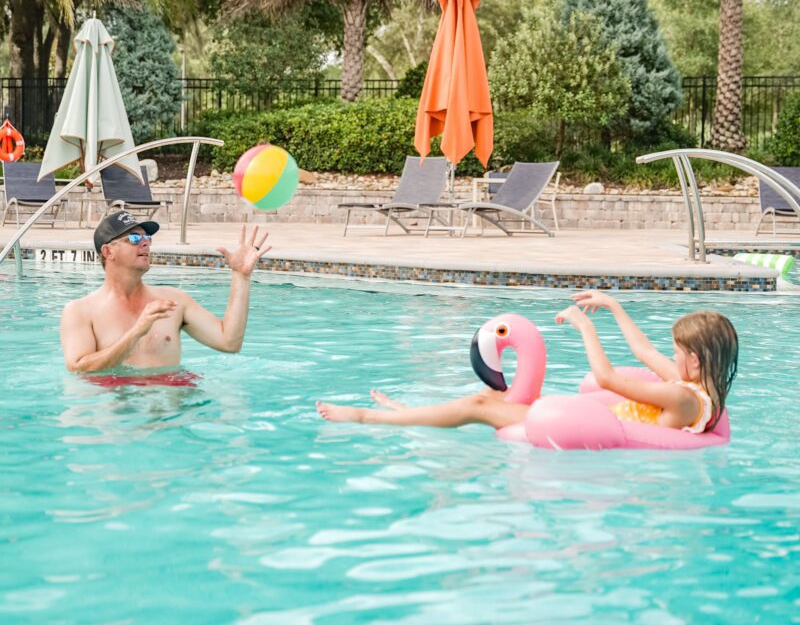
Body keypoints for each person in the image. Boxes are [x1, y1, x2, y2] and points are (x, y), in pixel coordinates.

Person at [316, 290, 738, 433]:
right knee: (490, 399)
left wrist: (582, 325)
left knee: (480, 406)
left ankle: (368, 418)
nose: (671, 358)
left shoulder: (679, 398)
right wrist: (612, 306)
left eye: (678, 354)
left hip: (598, 433)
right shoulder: (701, 391)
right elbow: (644, 352)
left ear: (695, 361)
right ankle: (416, 415)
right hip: (599, 421)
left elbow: (607, 378)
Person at [60, 210, 270, 373]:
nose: (145, 243)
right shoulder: (80, 311)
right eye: (134, 238)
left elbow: (229, 342)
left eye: (147, 238)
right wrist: (136, 332)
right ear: (108, 251)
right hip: (118, 416)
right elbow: (79, 368)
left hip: (170, 413)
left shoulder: (173, 301)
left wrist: (241, 277)